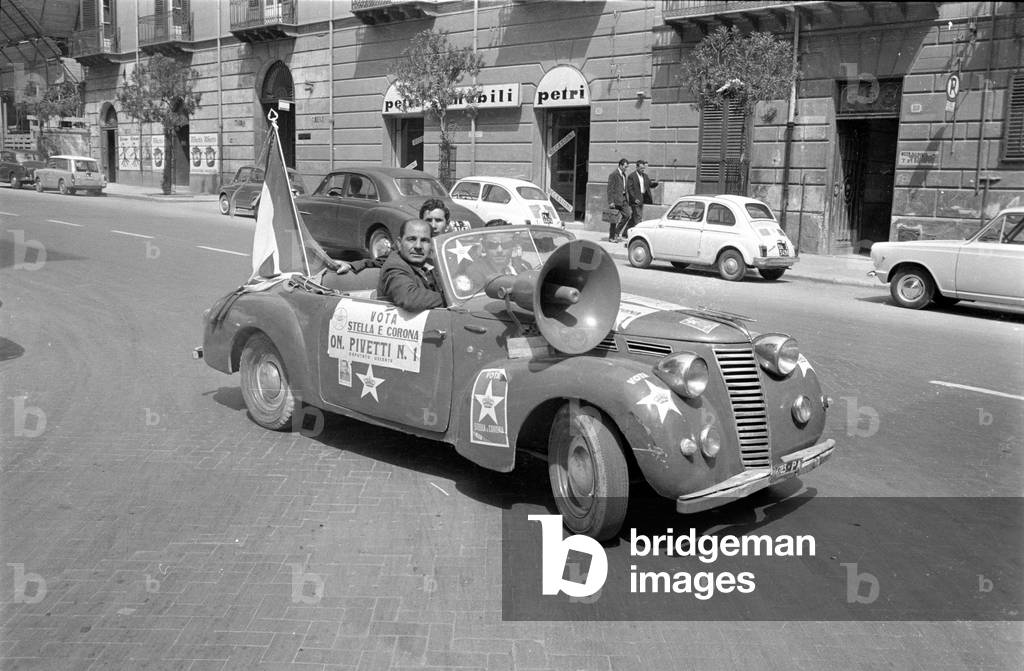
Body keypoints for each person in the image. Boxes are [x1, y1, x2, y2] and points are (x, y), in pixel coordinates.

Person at [378, 219, 445, 311]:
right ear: (399, 243)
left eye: (424, 240)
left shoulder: (428, 264)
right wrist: (448, 299)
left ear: (431, 245)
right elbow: (409, 299)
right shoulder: (395, 267)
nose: (418, 246)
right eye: (411, 239)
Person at [465, 232, 532, 290]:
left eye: (506, 244)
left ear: (513, 246)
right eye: (492, 245)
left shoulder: (525, 267)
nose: (499, 250)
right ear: (484, 246)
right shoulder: (474, 271)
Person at [624, 159, 659, 238]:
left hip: (643, 198)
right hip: (635, 200)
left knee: (634, 217)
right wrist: (634, 198)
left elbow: (650, 185)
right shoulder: (631, 176)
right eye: (641, 168)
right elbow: (630, 189)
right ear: (637, 167)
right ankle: (637, 235)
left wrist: (655, 183)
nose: (643, 169)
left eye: (644, 168)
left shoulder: (645, 176)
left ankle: (625, 233)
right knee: (638, 217)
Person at [606, 158, 631, 242]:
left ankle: (616, 232)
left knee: (628, 215)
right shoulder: (613, 174)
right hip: (616, 200)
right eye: (625, 166)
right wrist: (611, 201)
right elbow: (610, 189)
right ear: (620, 165)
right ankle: (611, 237)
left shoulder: (624, 175)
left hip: (623, 199)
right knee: (614, 219)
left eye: (627, 167)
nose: (626, 168)